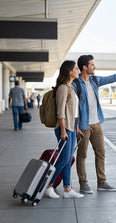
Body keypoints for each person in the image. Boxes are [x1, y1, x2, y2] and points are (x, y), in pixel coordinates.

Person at [74, 55, 116, 194]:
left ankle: (102, 182)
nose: (95, 67)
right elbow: (72, 107)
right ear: (84, 67)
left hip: (97, 124)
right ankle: (83, 183)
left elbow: (113, 77)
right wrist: (75, 127)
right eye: (92, 65)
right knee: (82, 155)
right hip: (83, 126)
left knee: (101, 153)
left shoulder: (94, 80)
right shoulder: (75, 84)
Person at [44, 60, 84, 199]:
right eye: (76, 69)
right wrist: (62, 130)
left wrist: (77, 128)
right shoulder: (63, 88)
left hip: (72, 128)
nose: (78, 71)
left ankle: (67, 189)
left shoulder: (71, 87)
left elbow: (73, 112)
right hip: (64, 128)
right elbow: (61, 112)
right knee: (64, 158)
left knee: (68, 159)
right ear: (69, 71)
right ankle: (48, 185)